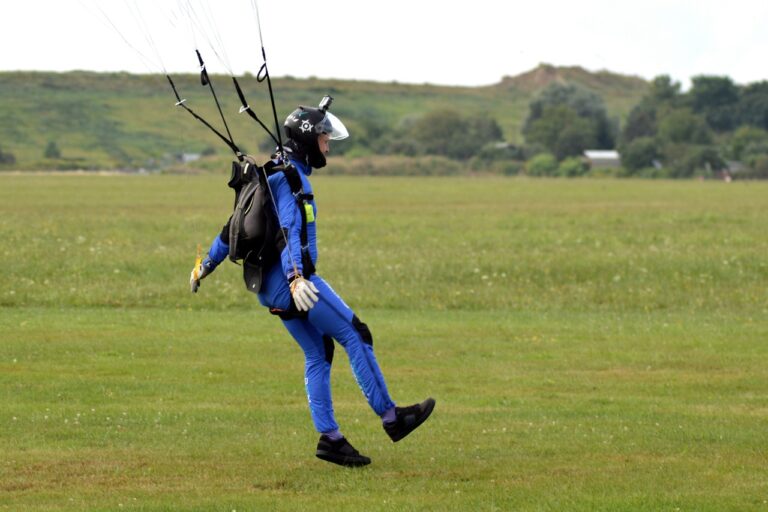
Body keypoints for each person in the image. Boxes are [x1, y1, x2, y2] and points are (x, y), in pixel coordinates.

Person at [189, 99, 435, 467]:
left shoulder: (269, 171)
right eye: (324, 138)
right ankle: (392, 418)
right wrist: (297, 277)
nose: (328, 145)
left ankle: (330, 439)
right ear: (307, 139)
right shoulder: (292, 178)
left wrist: (203, 266)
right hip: (293, 284)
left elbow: (231, 229)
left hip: (266, 288)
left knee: (319, 353)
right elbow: (290, 229)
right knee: (356, 334)